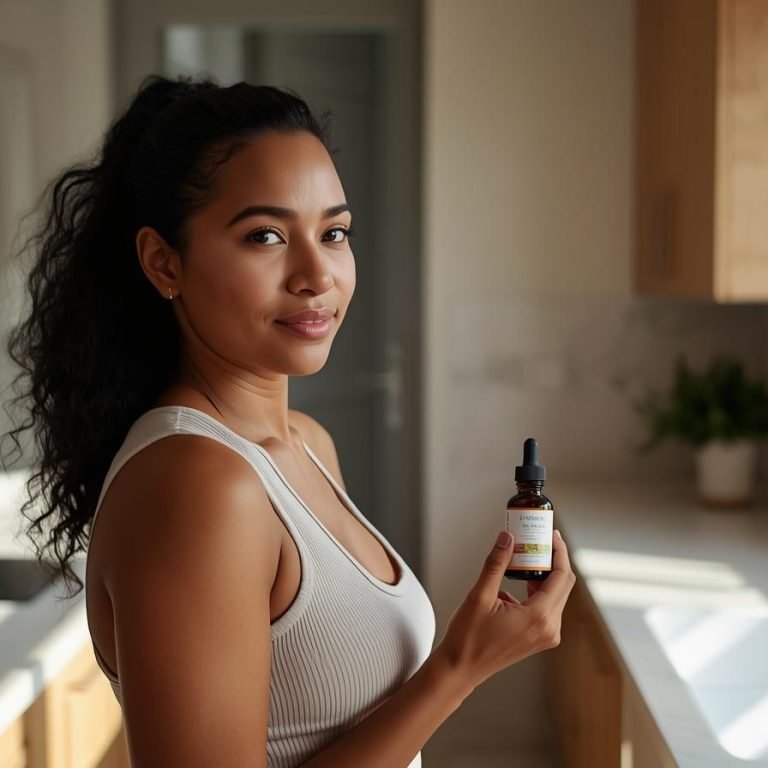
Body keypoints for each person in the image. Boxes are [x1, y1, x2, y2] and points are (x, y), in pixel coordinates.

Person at [2, 73, 576, 767]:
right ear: (164, 263)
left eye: (334, 232)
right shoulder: (198, 482)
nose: (317, 274)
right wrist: (458, 669)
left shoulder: (304, 443)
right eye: (266, 235)